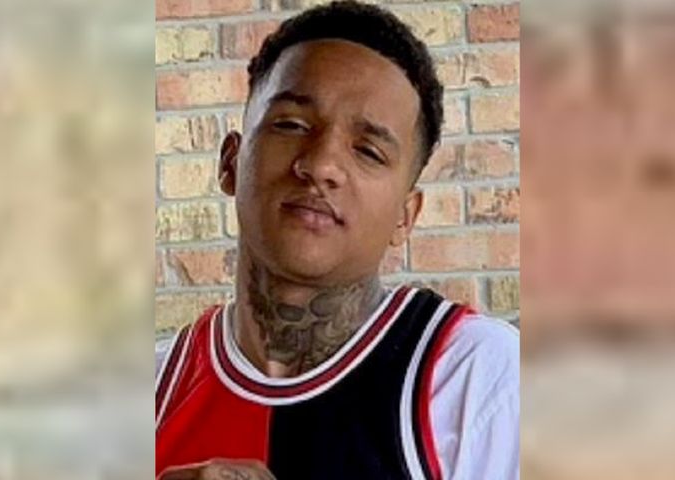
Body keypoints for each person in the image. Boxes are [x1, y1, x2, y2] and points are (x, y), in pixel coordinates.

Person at [155, 2, 519, 479]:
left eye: (368, 150)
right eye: (291, 125)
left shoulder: (477, 373)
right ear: (230, 163)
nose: (321, 165)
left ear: (405, 217)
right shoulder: (153, 386)